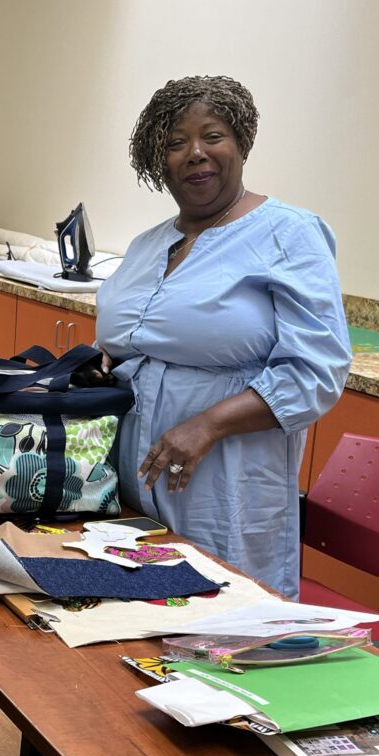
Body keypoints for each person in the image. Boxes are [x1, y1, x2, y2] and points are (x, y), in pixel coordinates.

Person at [95, 75, 351, 599]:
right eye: (174, 143)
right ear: (156, 160)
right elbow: (125, 342)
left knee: (218, 620)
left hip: (223, 478)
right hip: (128, 473)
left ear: (241, 143)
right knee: (126, 619)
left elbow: (317, 372)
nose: (195, 154)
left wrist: (207, 425)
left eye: (212, 136)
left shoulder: (289, 233)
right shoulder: (149, 243)